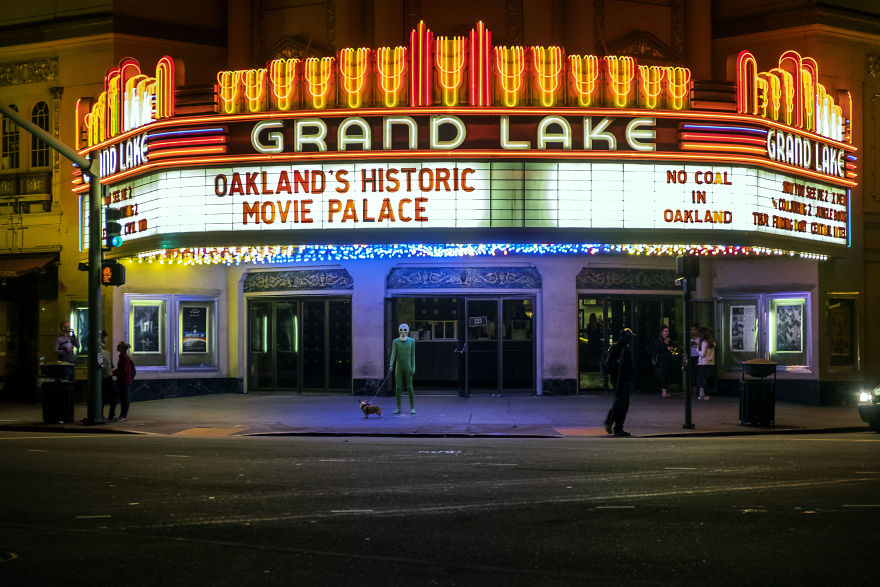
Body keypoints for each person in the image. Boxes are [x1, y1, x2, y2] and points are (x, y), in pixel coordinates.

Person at [603, 328, 635, 437]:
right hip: (618, 379)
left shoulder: (626, 348)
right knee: (620, 402)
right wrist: (617, 363)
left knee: (625, 404)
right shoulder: (616, 347)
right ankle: (609, 421)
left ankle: (618, 427)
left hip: (626, 379)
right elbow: (608, 365)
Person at [389, 323, 416, 414]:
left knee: (409, 387)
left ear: (408, 331)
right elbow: (393, 354)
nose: (403, 332)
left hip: (408, 367)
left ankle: (412, 407)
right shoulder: (395, 341)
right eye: (401, 330)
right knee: (398, 387)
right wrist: (391, 365)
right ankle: (398, 408)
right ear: (399, 330)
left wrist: (413, 367)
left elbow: (413, 356)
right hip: (399, 367)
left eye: (405, 330)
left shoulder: (412, 341)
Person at [112, 341, 135, 422]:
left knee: (124, 399)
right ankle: (122, 416)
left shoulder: (125, 357)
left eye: (118, 346)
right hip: (123, 380)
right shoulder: (122, 356)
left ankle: (123, 416)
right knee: (123, 398)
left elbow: (124, 370)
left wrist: (114, 373)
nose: (117, 347)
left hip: (124, 381)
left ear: (122, 348)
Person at [653, 326, 675, 398]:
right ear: (661, 332)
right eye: (665, 331)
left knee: (667, 375)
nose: (667, 333)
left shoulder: (669, 339)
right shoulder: (659, 340)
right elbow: (658, 349)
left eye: (667, 331)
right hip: (662, 360)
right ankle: (663, 392)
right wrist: (666, 346)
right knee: (663, 375)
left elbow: (673, 348)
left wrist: (670, 347)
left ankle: (665, 391)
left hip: (668, 359)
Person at [99, 331, 117, 420]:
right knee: (112, 396)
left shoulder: (106, 352)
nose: (107, 339)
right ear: (102, 338)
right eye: (106, 337)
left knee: (103, 397)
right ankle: (110, 415)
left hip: (105, 377)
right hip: (107, 377)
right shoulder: (105, 352)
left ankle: (103, 414)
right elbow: (109, 366)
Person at [696, 327, 716, 401]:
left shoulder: (704, 343)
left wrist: (697, 349)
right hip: (711, 363)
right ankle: (704, 394)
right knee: (705, 379)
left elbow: (702, 354)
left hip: (703, 363)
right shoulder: (713, 343)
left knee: (700, 379)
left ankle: (703, 393)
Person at [688, 323, 700, 390]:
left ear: (697, 330)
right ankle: (691, 387)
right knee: (691, 373)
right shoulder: (689, 338)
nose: (692, 331)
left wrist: (696, 344)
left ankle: (696, 388)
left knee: (696, 373)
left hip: (697, 356)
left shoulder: (700, 338)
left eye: (694, 329)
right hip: (691, 356)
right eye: (691, 330)